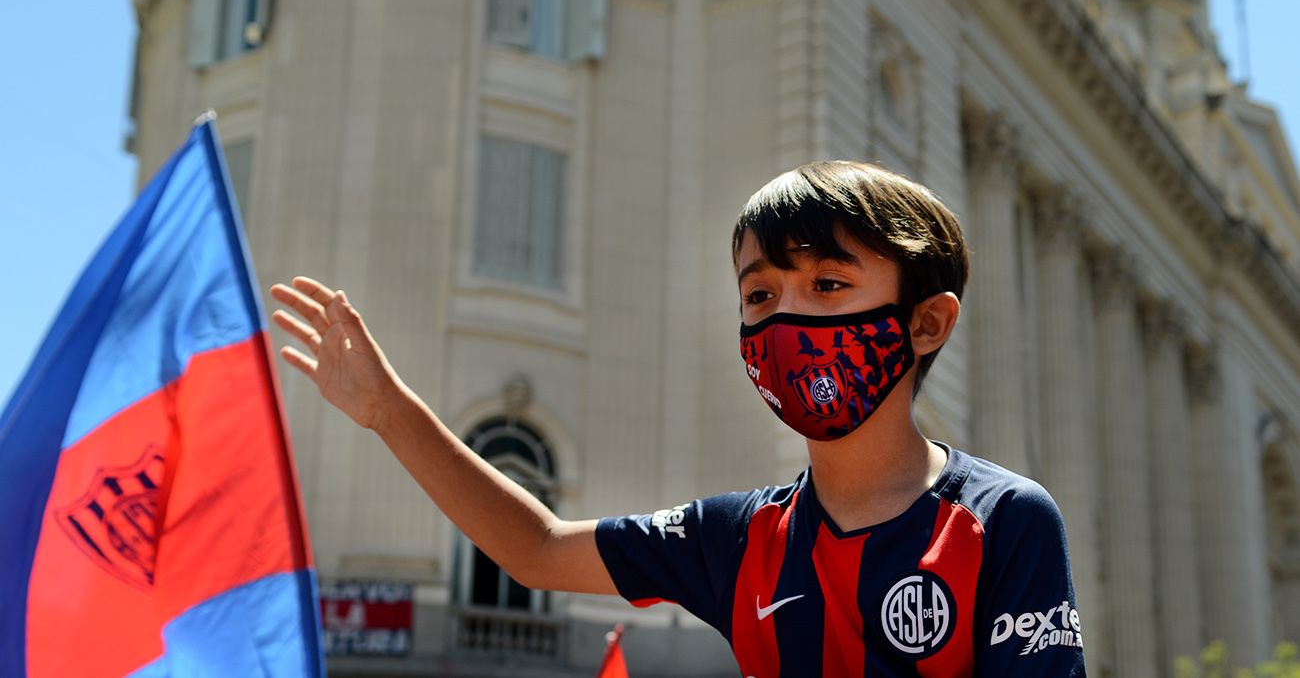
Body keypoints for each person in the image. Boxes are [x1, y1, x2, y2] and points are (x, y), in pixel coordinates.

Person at [270, 160, 1086, 677]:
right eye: (760, 295)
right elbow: (538, 550)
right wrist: (386, 413)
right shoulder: (736, 541)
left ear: (926, 323)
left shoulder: (1005, 520)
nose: (785, 321)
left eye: (828, 287)